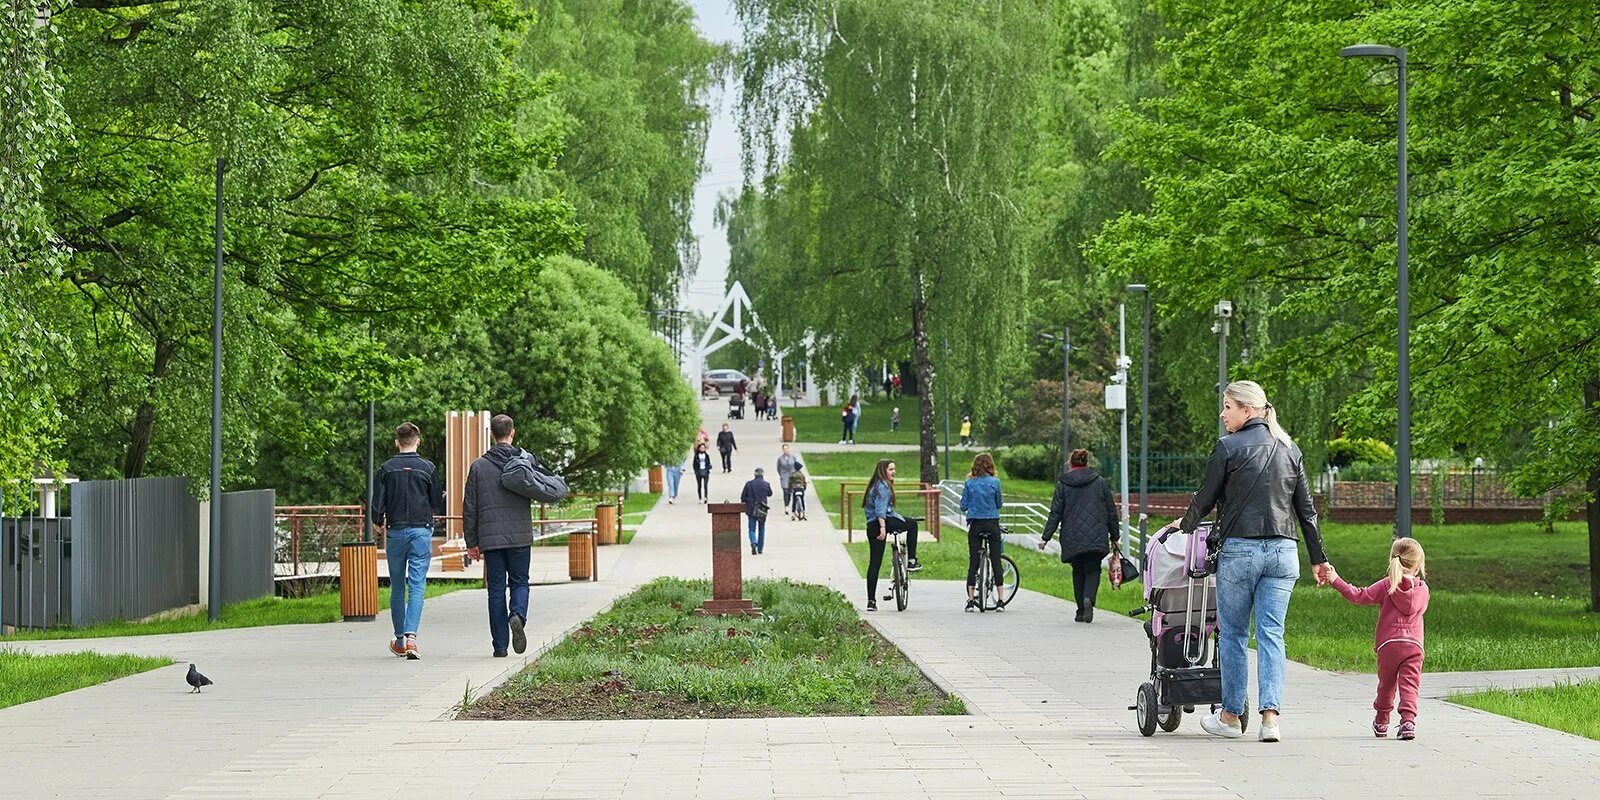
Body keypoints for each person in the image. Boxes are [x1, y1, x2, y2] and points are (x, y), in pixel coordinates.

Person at [1180, 380, 1329, 744]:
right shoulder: (1289, 449)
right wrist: (1319, 560)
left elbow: (1206, 498)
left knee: (1232, 633)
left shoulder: (1227, 447)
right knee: (1271, 634)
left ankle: (1230, 717)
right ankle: (1270, 720)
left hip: (1241, 551)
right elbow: (1306, 512)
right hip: (1284, 552)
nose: (1223, 413)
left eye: (1228, 406)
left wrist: (1183, 526)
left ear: (1248, 410)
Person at [464, 414, 568, 658]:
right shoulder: (524, 463)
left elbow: (470, 506)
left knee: (496, 590)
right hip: (520, 536)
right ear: (512, 433)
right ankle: (517, 615)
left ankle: (500, 646)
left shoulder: (479, 466)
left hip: (491, 539)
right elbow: (542, 486)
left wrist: (472, 542)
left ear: (492, 434)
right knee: (520, 582)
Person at [1327, 538, 1429, 740]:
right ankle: (1408, 723)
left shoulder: (1387, 585)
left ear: (1393, 559)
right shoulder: (1423, 590)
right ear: (1418, 566)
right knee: (1410, 685)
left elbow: (1359, 596)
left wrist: (1335, 580)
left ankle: (1382, 721)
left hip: (1388, 645)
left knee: (1387, 684)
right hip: (1414, 646)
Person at [370, 421, 443, 659]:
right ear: (417, 441)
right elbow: (436, 502)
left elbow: (377, 501)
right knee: (418, 583)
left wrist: (377, 520)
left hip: (396, 531)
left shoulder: (386, 469)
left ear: (396, 442)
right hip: (421, 530)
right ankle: (412, 639)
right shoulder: (428, 468)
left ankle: (399, 639)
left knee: (397, 585)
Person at [1038, 449, 1119, 623]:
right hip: (1096, 535)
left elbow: (1055, 513)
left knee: (1078, 571)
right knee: (1093, 570)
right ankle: (1088, 598)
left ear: (1071, 463)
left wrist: (1046, 537)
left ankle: (1081, 610)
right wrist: (1115, 536)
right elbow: (1111, 511)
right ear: (1086, 462)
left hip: (1072, 536)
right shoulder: (1100, 483)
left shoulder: (1064, 484)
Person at [862, 458, 921, 611]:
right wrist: (883, 528)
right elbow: (881, 509)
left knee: (874, 563)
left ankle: (871, 601)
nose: (894, 472)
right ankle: (912, 560)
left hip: (872, 526)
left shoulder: (874, 485)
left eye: (894, 469)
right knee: (913, 525)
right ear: (883, 471)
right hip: (883, 522)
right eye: (890, 469)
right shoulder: (883, 486)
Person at [960, 453, 1005, 611]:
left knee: (974, 561)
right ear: (990, 466)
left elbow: (963, 506)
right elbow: (999, 504)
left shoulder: (969, 483)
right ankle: (1000, 600)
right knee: (996, 560)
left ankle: (971, 600)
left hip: (976, 524)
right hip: (992, 524)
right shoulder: (995, 482)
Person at [740, 467, 774, 555]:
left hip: (751, 508)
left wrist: (747, 502)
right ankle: (760, 549)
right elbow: (770, 493)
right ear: (763, 475)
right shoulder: (766, 484)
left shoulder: (749, 484)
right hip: (762, 509)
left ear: (754, 474)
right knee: (761, 529)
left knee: (751, 528)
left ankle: (753, 542)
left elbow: (743, 497)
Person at [775, 444, 800, 518]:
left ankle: (794, 506)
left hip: (792, 476)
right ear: (782, 450)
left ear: (789, 449)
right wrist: (782, 475)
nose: (786, 450)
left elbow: (796, 466)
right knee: (785, 491)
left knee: (792, 492)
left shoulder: (793, 457)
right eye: (784, 449)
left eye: (787, 448)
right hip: (784, 476)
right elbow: (778, 468)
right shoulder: (780, 459)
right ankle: (786, 506)